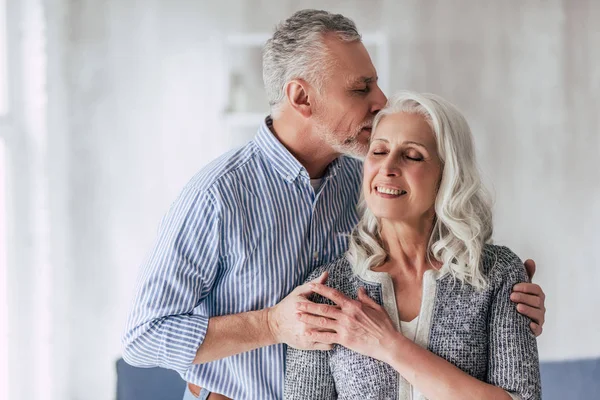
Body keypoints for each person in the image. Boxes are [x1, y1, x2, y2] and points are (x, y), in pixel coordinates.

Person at [122, 10, 546, 400]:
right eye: (361, 89)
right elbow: (144, 337)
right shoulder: (218, 196)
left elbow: (422, 256)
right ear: (302, 98)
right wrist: (271, 325)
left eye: (375, 83)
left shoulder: (362, 182)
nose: (380, 100)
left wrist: (502, 299)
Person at [285, 91, 541, 400]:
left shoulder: (496, 273)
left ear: (446, 176)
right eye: (379, 151)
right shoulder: (327, 288)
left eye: (413, 155)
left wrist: (389, 346)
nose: (388, 167)